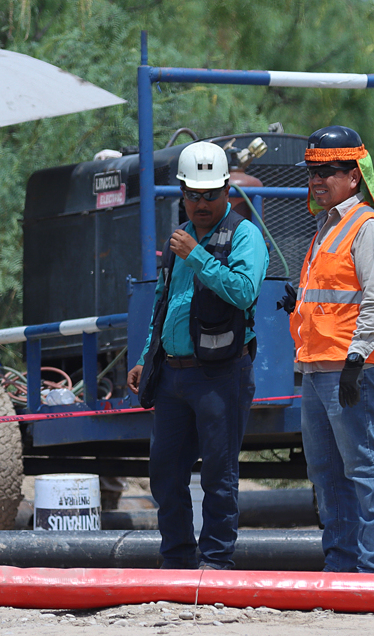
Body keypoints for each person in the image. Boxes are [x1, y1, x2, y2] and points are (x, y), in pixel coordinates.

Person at [127, 141, 269, 570]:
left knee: (218, 477)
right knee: (166, 473)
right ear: (182, 193)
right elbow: (165, 302)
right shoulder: (180, 239)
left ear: (228, 190)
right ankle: (175, 562)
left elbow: (245, 291)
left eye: (210, 195)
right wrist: (146, 356)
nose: (201, 203)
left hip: (221, 374)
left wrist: (199, 255)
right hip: (173, 376)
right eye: (193, 195)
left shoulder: (245, 236)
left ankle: (216, 564)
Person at [282, 125, 374, 573]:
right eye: (312, 170)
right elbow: (331, 295)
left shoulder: (366, 227)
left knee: (365, 470)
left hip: (350, 371)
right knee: (327, 476)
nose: (317, 179)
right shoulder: (325, 228)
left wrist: (356, 359)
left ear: (354, 176)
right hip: (315, 370)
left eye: (328, 170)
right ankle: (341, 565)